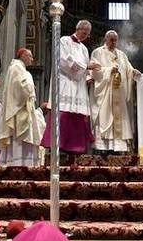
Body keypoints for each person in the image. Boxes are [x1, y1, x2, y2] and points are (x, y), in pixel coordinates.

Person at [41, 20, 101, 160]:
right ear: (78, 29)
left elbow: (86, 69)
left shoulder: (84, 49)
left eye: (87, 34)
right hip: (65, 83)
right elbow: (63, 61)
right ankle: (59, 146)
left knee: (78, 115)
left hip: (79, 86)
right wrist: (86, 67)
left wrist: (88, 78)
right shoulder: (64, 41)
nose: (86, 36)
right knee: (63, 114)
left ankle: (75, 148)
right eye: (84, 33)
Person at [90, 30, 141, 153]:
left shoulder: (121, 55)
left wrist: (133, 72)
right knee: (104, 117)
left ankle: (118, 148)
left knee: (120, 118)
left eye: (115, 40)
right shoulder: (97, 52)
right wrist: (108, 70)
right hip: (105, 93)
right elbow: (93, 70)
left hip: (119, 93)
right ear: (105, 39)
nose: (113, 42)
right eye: (111, 39)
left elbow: (128, 68)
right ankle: (103, 148)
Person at [0, 48, 45, 166]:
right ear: (23, 55)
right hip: (19, 109)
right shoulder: (16, 67)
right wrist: (30, 88)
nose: (32, 59)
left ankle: (24, 163)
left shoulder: (20, 68)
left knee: (26, 137)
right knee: (21, 137)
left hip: (24, 107)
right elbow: (20, 86)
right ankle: (19, 164)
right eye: (30, 56)